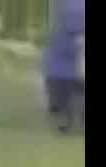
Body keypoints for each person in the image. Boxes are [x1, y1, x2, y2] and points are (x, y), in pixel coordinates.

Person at [44, 0, 85, 134]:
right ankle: (72, 121)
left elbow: (72, 20)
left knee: (74, 88)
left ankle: (72, 122)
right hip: (71, 50)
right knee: (74, 87)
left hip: (73, 50)